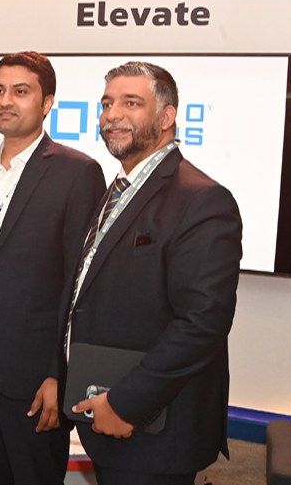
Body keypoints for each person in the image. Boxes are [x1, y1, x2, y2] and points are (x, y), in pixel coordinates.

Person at [67, 61, 242, 485]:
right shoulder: (119, 189)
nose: (112, 115)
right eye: (106, 104)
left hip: (155, 431)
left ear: (166, 117)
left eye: (131, 103)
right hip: (110, 411)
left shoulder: (202, 199)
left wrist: (126, 404)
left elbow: (202, 324)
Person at [0, 51, 105, 484]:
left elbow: (79, 286)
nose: (5, 101)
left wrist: (59, 373)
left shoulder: (78, 173)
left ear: (47, 102)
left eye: (20, 92)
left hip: (35, 373)